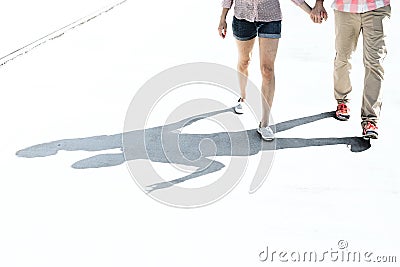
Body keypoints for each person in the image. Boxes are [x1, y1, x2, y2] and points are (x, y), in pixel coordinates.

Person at [218, 0, 320, 141]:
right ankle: (242, 97)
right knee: (244, 62)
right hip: (243, 17)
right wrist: (222, 18)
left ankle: (264, 123)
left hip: (270, 18)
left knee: (267, 70)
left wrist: (311, 12)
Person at [311, 0, 391, 139]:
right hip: (345, 8)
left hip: (377, 7)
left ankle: (371, 120)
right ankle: (342, 101)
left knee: (375, 63)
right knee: (343, 59)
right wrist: (319, 3)